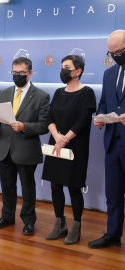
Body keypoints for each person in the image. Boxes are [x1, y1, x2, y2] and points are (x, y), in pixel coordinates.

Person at [0, 57, 50, 235]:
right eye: (14, 73)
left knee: (27, 188)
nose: (17, 76)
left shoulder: (41, 96)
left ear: (30, 73)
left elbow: (44, 125)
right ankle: (7, 217)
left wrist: (25, 127)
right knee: (7, 186)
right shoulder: (4, 92)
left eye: (21, 73)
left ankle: (29, 221)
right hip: (4, 148)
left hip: (26, 149)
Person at [42, 55, 96, 245]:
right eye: (62, 66)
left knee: (73, 186)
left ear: (78, 71)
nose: (63, 70)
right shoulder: (58, 92)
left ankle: (76, 226)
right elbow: (49, 117)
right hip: (56, 143)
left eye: (67, 67)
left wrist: (66, 138)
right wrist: (57, 136)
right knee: (55, 184)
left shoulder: (87, 93)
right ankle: (59, 224)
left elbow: (83, 120)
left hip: (76, 146)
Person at [89, 30, 125, 249]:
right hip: (112, 143)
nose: (115, 56)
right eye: (111, 53)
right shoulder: (109, 74)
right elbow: (104, 103)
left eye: (119, 52)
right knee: (113, 193)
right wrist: (99, 118)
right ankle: (113, 234)